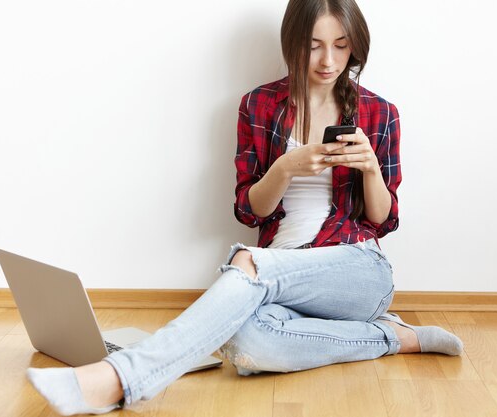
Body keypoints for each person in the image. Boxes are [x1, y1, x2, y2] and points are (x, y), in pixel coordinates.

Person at [26, 0, 463, 415]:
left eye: (341, 45)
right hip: (282, 269)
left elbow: (383, 220)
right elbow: (249, 210)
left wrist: (370, 169)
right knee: (248, 344)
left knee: (245, 261)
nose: (328, 60)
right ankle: (393, 336)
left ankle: (118, 378)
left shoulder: (380, 112)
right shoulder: (259, 105)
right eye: (313, 45)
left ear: (355, 45)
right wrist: (286, 167)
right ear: (292, 42)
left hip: (358, 270)